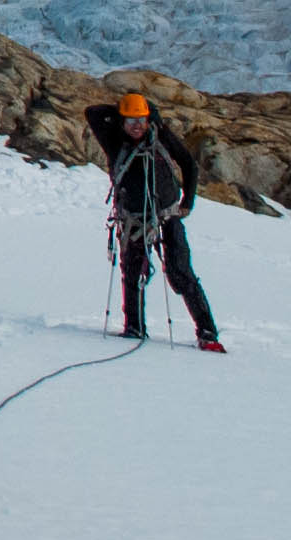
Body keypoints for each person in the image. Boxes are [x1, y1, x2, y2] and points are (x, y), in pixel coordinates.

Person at [90, 90, 224, 351]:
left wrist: (187, 202)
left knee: (181, 272)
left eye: (141, 120)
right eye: (131, 121)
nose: (137, 126)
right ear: (121, 121)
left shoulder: (159, 134)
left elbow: (189, 164)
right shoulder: (113, 138)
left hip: (166, 215)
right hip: (134, 219)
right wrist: (127, 109)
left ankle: (207, 333)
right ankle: (134, 327)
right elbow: (93, 112)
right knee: (132, 273)